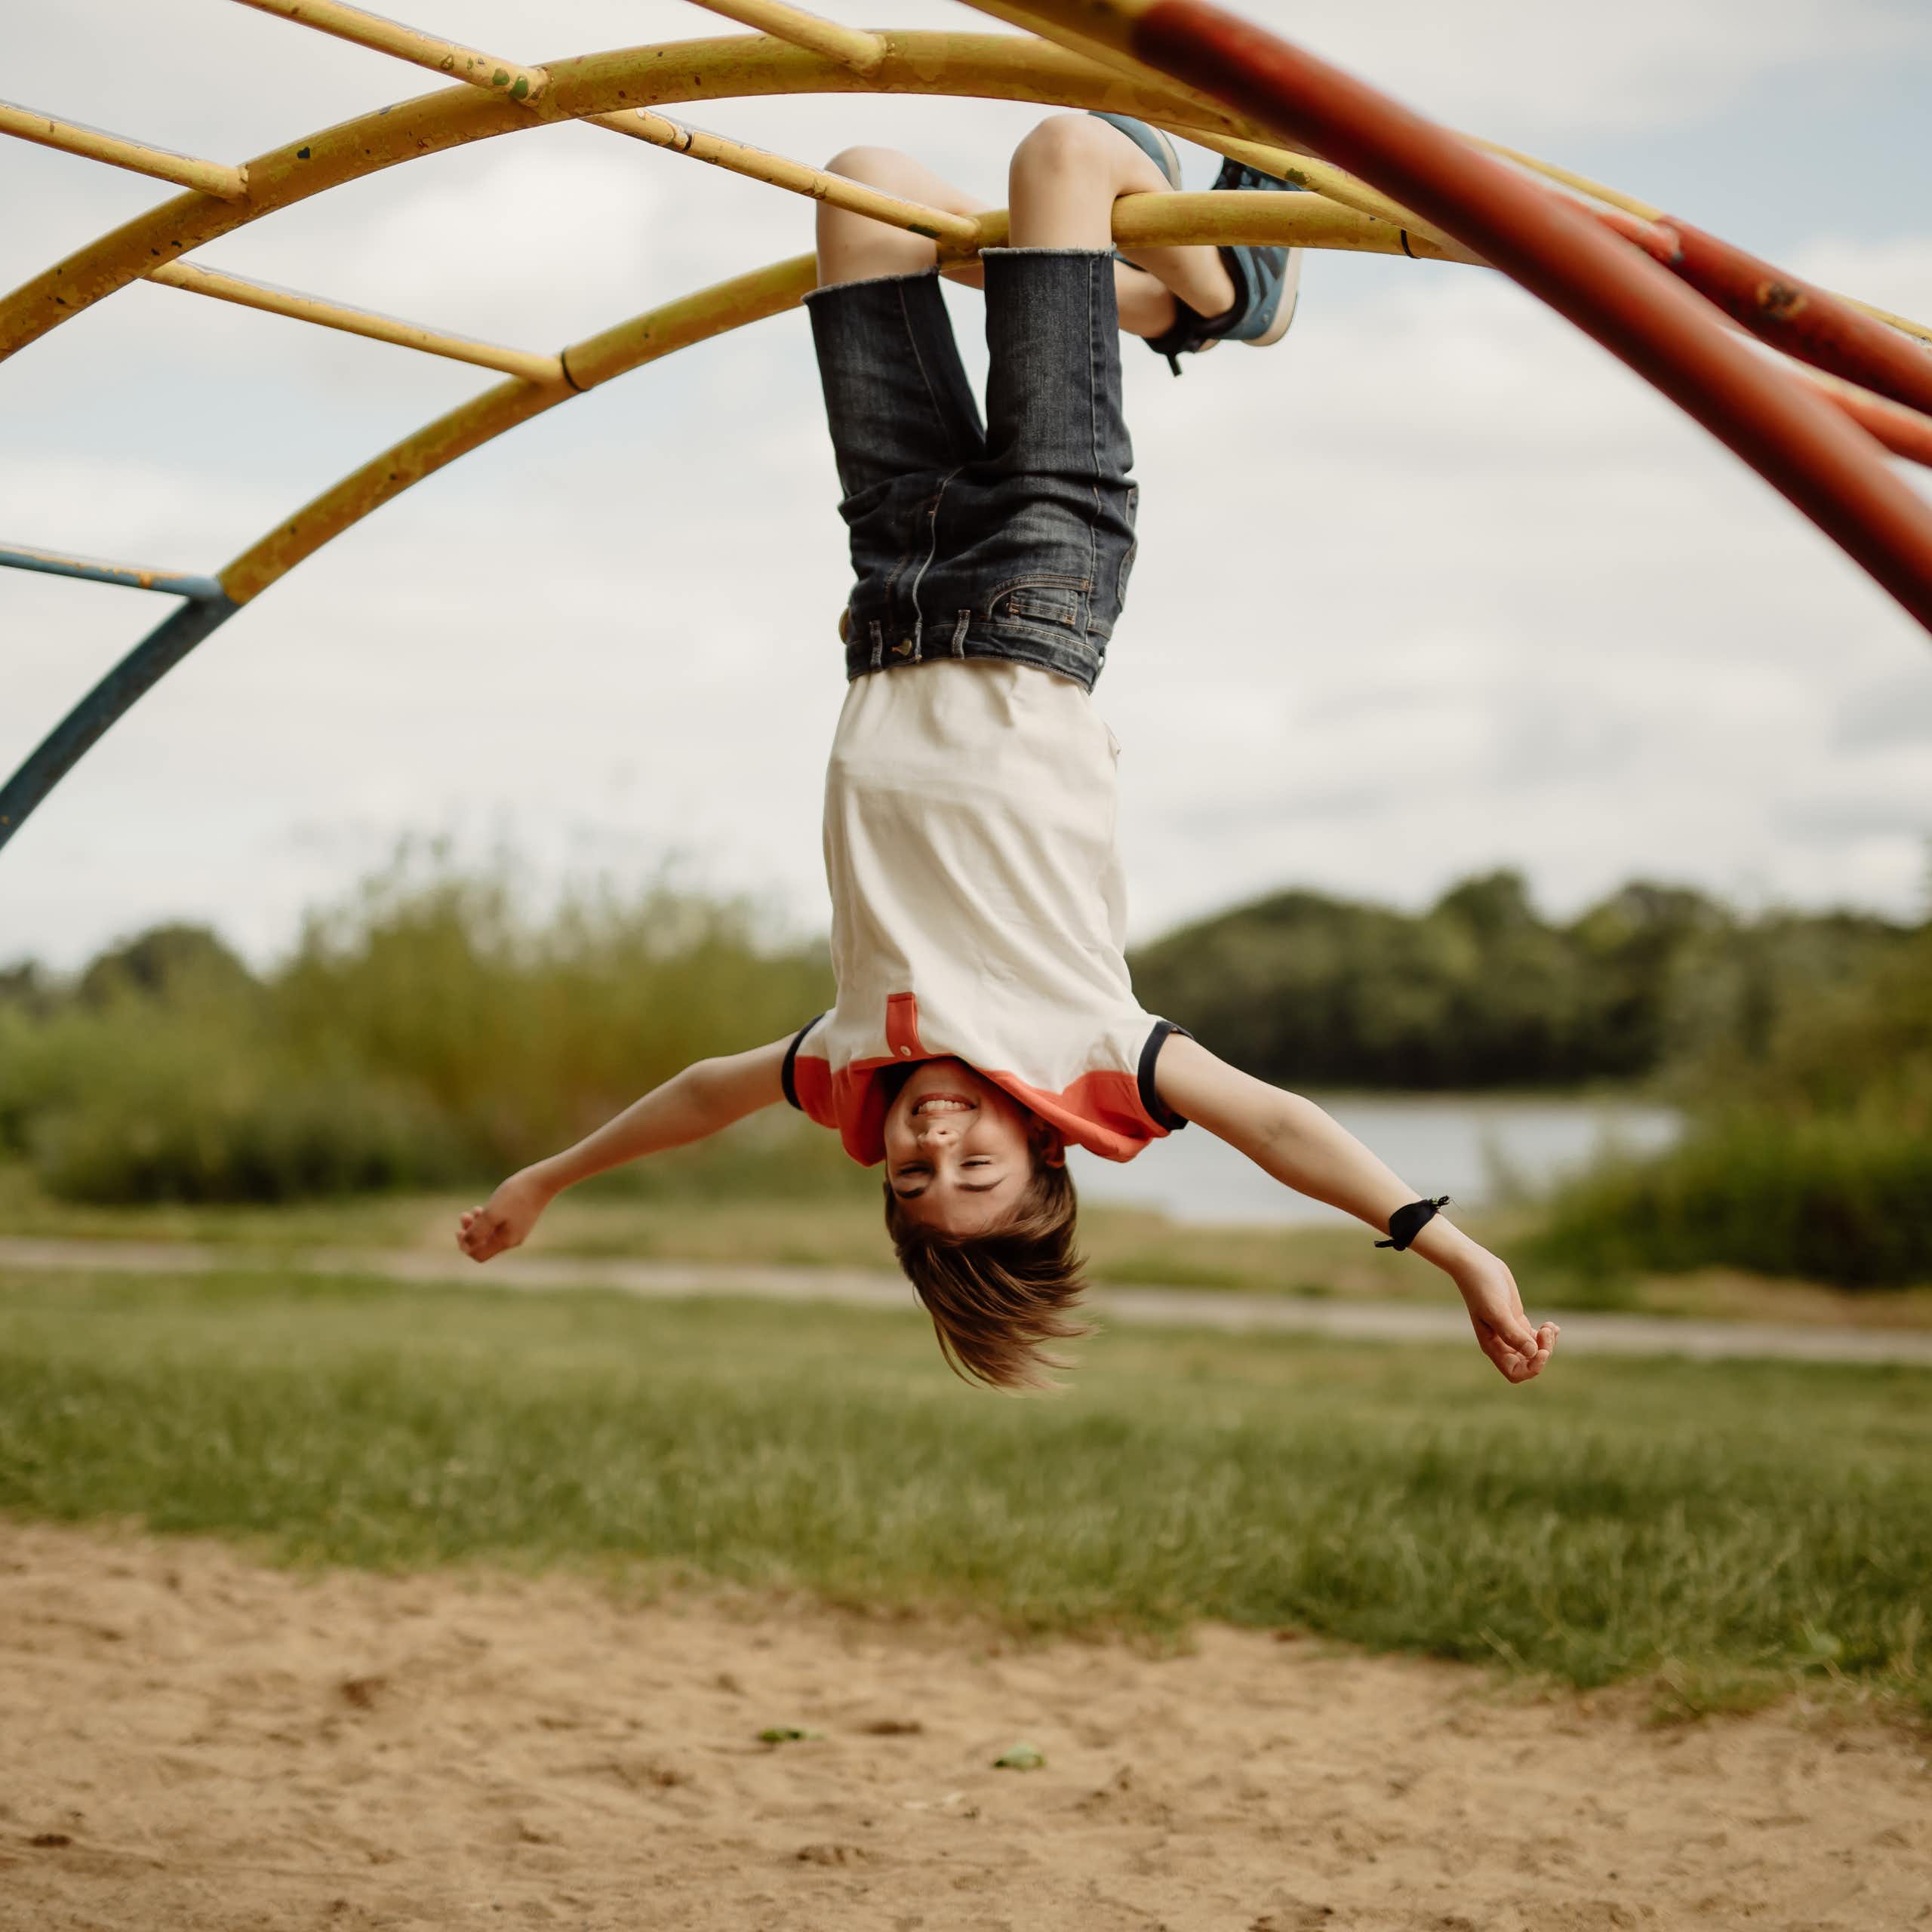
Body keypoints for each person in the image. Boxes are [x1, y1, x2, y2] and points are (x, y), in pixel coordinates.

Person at [457, 112, 1559, 1392]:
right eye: (972, 1165)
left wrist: (547, 1179)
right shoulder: (1092, 1058)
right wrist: (1458, 1253)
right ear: (1046, 1150)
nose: (933, 1140)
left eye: (917, 1174)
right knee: (1066, 155)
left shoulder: (852, 1061)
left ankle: (1152, 303)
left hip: (894, 574)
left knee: (862, 188)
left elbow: (704, 1093)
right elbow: (1276, 1125)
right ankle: (1225, 298)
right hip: (1045, 577)